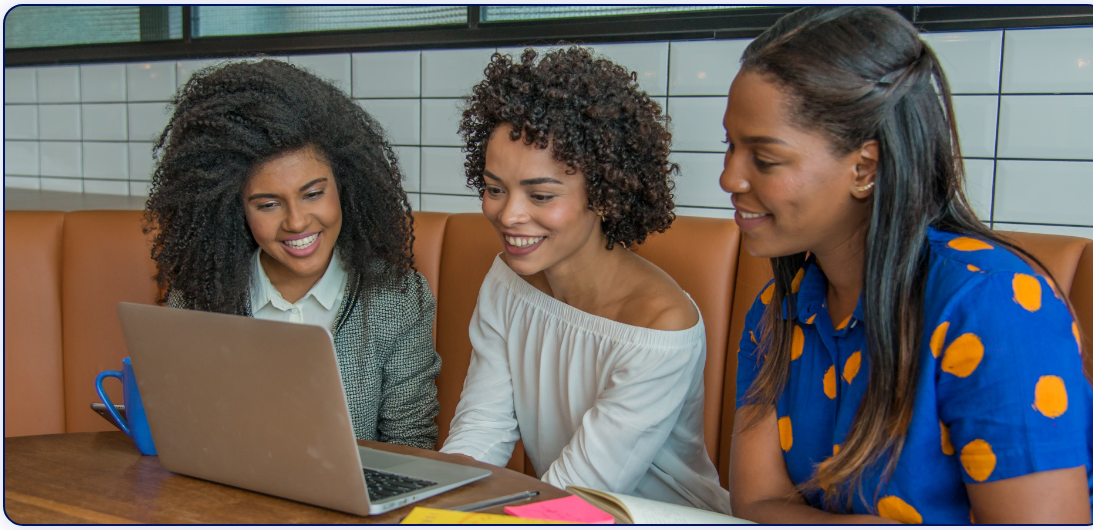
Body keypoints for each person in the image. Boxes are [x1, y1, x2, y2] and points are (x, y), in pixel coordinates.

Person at [722, 6, 1093, 524]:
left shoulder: (992, 305)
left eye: (764, 159)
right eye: (731, 145)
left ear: (864, 168)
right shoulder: (778, 310)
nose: (729, 179)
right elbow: (759, 502)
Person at [439, 46, 731, 513]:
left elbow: (582, 492)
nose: (509, 214)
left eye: (540, 194)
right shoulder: (507, 283)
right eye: (495, 189)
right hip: (557, 509)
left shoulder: (661, 326)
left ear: (606, 195)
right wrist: (438, 508)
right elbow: (481, 431)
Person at [143, 59, 442, 449]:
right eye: (268, 205)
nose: (298, 222)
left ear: (345, 187)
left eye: (313, 193)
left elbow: (411, 446)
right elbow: (185, 435)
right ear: (235, 211)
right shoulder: (197, 302)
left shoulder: (399, 299)